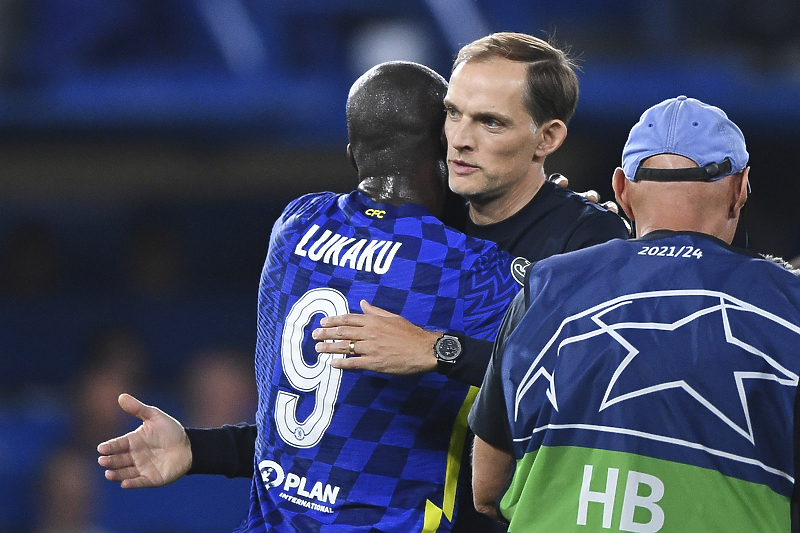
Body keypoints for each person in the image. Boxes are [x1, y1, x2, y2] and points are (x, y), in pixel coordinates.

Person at [99, 32, 630, 533]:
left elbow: (596, 391)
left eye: (490, 122)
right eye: (452, 114)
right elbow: (344, 424)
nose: (460, 140)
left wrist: (439, 350)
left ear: (548, 138)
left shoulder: (588, 239)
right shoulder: (425, 226)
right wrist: (199, 449)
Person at [469, 95, 800, 532]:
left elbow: (486, 489)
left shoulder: (545, 287)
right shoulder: (789, 305)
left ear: (621, 190)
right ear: (740, 190)